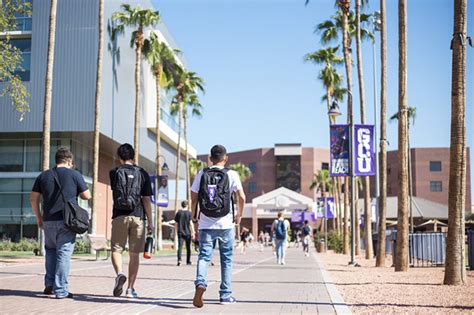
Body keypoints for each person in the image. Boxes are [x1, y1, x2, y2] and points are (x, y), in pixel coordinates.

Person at [30, 148, 91, 299]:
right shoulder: (75, 174)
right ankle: (61, 290)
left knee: (50, 251)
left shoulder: (43, 176)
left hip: (48, 220)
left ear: (56, 160)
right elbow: (87, 196)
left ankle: (49, 285)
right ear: (69, 161)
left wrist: (39, 218)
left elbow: (33, 199)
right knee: (63, 254)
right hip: (67, 221)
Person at [191, 144, 246, 307]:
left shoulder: (201, 173)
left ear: (210, 158)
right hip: (226, 223)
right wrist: (239, 215)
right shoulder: (232, 174)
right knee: (226, 259)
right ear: (226, 158)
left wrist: (195, 218)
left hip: (206, 223)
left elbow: (193, 199)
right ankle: (225, 295)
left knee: (204, 256)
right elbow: (241, 197)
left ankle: (200, 283)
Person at [109, 143, 153, 299]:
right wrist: (151, 222)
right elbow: (146, 200)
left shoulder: (114, 172)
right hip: (138, 216)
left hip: (119, 215)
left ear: (120, 158)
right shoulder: (143, 173)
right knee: (134, 254)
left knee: (116, 249)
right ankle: (130, 289)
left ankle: (120, 274)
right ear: (134, 156)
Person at [175, 200, 195, 266]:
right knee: (188, 248)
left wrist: (176, 231)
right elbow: (191, 223)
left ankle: (179, 260)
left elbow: (176, 224)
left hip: (180, 232)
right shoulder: (189, 213)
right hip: (187, 233)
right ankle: (188, 261)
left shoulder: (178, 213)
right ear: (187, 205)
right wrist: (193, 232)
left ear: (182, 205)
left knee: (179, 247)